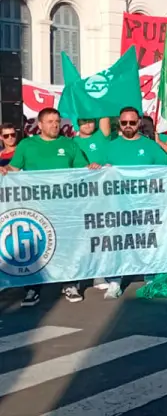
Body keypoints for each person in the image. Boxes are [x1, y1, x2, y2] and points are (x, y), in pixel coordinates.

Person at [2, 108, 99, 306]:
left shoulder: (68, 144)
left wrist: (93, 169)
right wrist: (5, 170)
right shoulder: (27, 145)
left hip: (65, 207)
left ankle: (69, 284)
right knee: (36, 248)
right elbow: (14, 169)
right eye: (50, 121)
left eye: (57, 121)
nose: (55, 125)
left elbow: (82, 169)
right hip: (36, 207)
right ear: (40, 125)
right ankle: (32, 288)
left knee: (67, 246)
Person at [103, 106, 167, 299]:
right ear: (119, 124)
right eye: (124, 123)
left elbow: (165, 170)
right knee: (118, 243)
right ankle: (115, 282)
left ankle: (150, 276)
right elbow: (100, 173)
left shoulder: (150, 145)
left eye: (132, 122)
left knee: (146, 241)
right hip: (118, 204)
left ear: (139, 123)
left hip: (145, 203)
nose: (128, 126)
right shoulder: (111, 146)